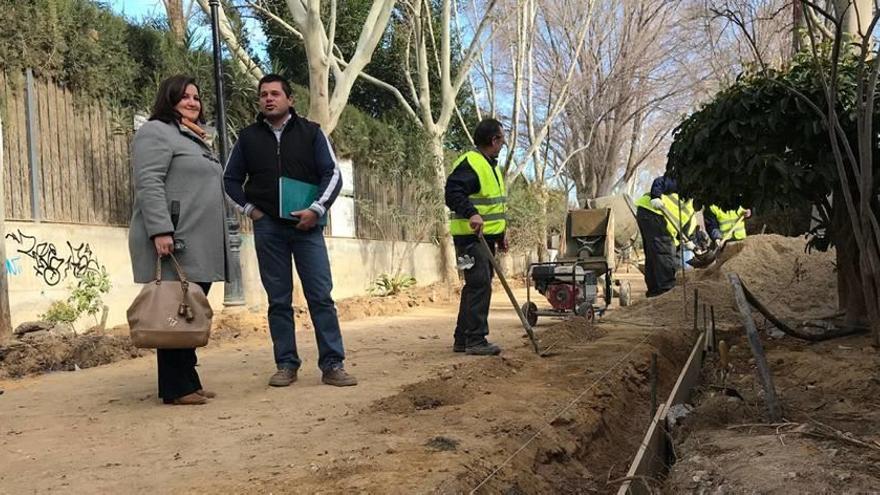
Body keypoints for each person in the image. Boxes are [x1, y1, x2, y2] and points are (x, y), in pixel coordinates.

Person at [224, 74, 356, 388]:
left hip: (307, 228)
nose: (268, 99)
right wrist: (251, 211)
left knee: (321, 297)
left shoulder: (311, 133)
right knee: (278, 300)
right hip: (268, 228)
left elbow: (332, 174)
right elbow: (229, 180)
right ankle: (286, 364)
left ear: (289, 99)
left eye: (275, 94)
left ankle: (333, 364)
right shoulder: (247, 138)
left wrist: (317, 209)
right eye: (263, 95)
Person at [128, 75, 228, 406]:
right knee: (174, 309)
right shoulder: (156, 132)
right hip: (176, 238)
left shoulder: (195, 137)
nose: (192, 102)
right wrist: (160, 230)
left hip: (198, 240)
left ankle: (188, 380)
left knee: (188, 311)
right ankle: (175, 387)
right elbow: (149, 182)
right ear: (169, 99)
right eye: (184, 96)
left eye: (196, 97)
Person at [445, 118, 508, 356]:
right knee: (479, 284)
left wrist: (501, 234)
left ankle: (462, 338)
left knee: (474, 285)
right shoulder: (471, 163)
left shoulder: (489, 165)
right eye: (501, 139)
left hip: (485, 239)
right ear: (493, 140)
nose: (503, 144)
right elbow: (452, 193)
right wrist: (471, 213)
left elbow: (493, 207)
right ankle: (475, 339)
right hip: (469, 241)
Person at [634, 174, 696, 297]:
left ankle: (655, 292)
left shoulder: (691, 212)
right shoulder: (688, 184)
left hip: (647, 214)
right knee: (665, 252)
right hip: (653, 210)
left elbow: (681, 233)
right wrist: (656, 196)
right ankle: (665, 293)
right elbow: (660, 181)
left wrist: (689, 242)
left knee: (654, 257)